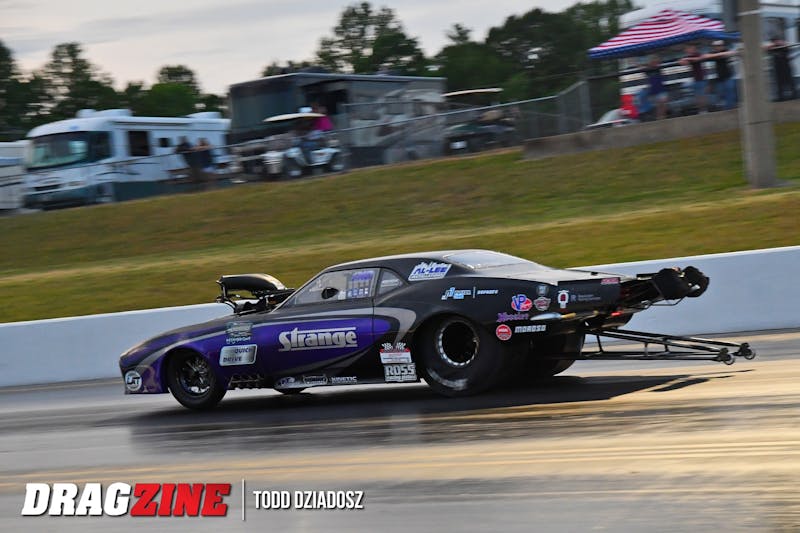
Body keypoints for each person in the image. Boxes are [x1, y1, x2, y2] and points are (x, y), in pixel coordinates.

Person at [704, 40, 737, 110]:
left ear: (723, 46)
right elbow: (706, 56)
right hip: (719, 78)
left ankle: (730, 108)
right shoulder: (713, 53)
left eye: (719, 46)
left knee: (730, 92)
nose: (717, 47)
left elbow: (731, 53)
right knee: (720, 94)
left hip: (728, 76)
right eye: (716, 46)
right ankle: (724, 109)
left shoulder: (726, 51)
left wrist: (719, 55)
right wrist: (717, 55)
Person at [767, 36, 797, 101]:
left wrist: (783, 44)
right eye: (774, 41)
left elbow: (787, 49)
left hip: (786, 67)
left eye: (776, 40)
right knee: (779, 83)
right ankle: (781, 97)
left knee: (790, 81)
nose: (776, 42)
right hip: (778, 68)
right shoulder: (773, 48)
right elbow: (768, 50)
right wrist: (771, 47)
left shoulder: (783, 46)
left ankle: (794, 95)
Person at [680, 44, 708, 113]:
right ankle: (701, 110)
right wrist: (684, 60)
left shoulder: (697, 54)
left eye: (689, 49)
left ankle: (704, 110)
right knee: (697, 96)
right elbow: (682, 63)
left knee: (702, 95)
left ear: (693, 48)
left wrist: (686, 59)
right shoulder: (689, 57)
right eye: (686, 49)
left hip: (701, 78)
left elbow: (698, 59)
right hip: (695, 79)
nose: (687, 50)